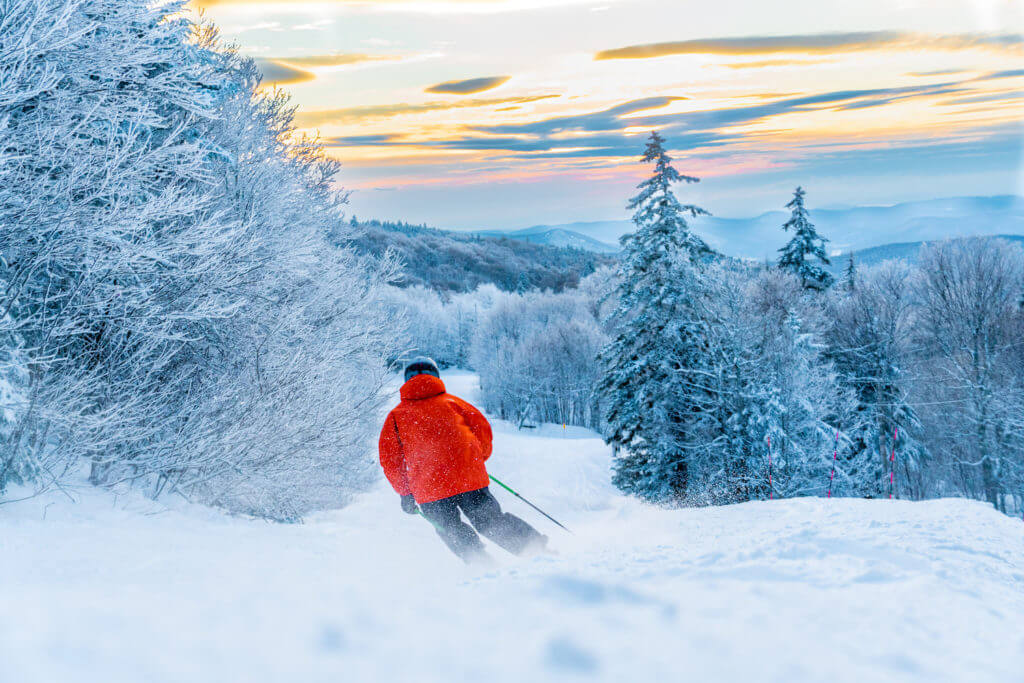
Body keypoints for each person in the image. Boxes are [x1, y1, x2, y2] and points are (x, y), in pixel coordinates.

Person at [379, 357, 547, 563]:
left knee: (450, 530)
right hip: (468, 479)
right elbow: (483, 432)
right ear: (436, 377)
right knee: (490, 522)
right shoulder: (455, 403)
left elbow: (390, 460)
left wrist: (405, 493)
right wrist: (476, 460)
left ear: (406, 380)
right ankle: (537, 550)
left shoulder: (396, 417)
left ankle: (482, 565)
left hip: (429, 490)